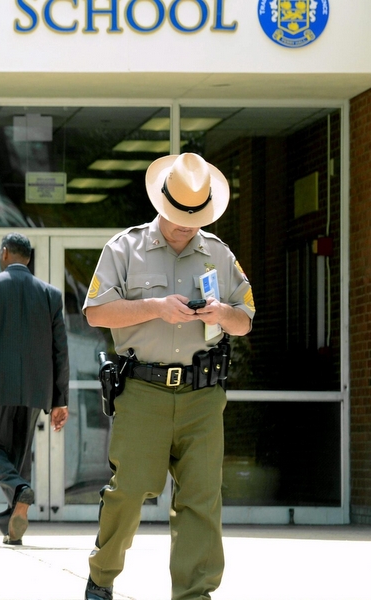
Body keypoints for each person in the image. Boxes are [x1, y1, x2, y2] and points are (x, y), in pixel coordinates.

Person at [82, 153, 254, 600]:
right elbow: (96, 311)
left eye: (194, 218)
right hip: (143, 391)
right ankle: (102, 576)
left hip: (202, 395)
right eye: (178, 216)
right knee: (129, 489)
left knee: (201, 499)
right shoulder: (125, 248)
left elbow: (246, 320)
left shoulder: (218, 253)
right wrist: (155, 308)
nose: (185, 225)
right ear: (161, 202)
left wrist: (223, 313)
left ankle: (195, 594)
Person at [0, 232, 70, 545]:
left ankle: (19, 491)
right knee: (20, 457)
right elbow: (60, 351)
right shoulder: (50, 294)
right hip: (34, 391)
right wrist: (60, 400)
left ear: (5, 253)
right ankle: (10, 525)